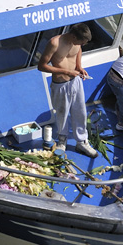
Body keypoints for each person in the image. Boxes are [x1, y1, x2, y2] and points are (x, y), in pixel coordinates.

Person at [38, 23, 97, 158]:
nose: (81, 44)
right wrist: (66, 71)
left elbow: (78, 51)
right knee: (62, 113)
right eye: (81, 42)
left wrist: (79, 66)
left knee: (80, 112)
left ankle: (82, 141)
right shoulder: (54, 43)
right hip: (60, 84)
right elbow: (41, 66)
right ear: (73, 36)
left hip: (75, 81)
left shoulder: (77, 43)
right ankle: (62, 140)